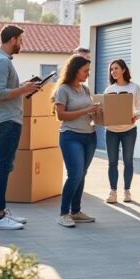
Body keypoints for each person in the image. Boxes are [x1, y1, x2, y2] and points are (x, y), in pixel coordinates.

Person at [0, 25, 41, 230]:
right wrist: (24, 89)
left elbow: (2, 89)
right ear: (13, 40)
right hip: (7, 120)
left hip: (1, 118)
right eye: (20, 41)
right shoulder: (1, 62)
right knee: (3, 167)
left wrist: (24, 86)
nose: (22, 44)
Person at [53, 55, 100, 227]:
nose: (88, 74)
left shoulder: (85, 89)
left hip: (90, 136)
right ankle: (63, 213)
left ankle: (76, 211)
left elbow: (87, 111)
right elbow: (61, 115)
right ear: (75, 70)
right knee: (75, 175)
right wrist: (86, 110)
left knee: (82, 175)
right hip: (71, 136)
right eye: (85, 71)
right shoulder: (63, 90)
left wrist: (96, 112)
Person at [102, 58, 140, 204]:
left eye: (116, 68)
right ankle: (113, 192)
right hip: (111, 131)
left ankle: (127, 191)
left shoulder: (134, 88)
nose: (113, 71)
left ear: (124, 70)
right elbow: (104, 109)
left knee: (128, 161)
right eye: (111, 69)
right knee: (112, 162)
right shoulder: (109, 90)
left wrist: (136, 115)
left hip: (129, 130)